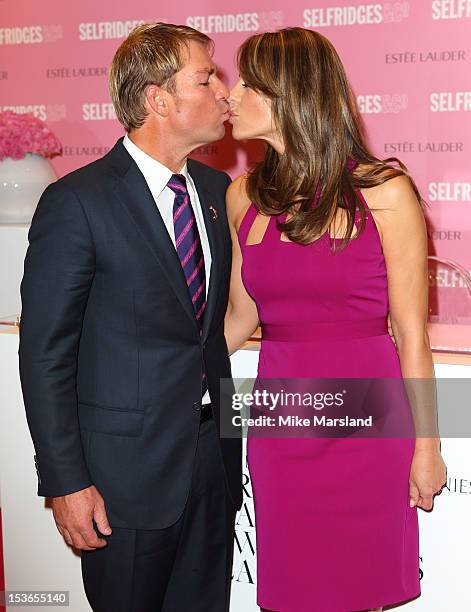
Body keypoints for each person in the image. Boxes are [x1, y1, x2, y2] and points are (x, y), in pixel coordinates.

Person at [19, 23, 241, 612]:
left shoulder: (220, 193)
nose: (224, 92)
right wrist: (65, 481)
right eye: (206, 77)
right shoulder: (79, 202)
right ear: (157, 99)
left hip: (212, 468)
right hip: (121, 482)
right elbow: (45, 354)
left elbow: (208, 332)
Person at [224, 27, 446, 612]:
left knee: (359, 589)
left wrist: (427, 445)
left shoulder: (386, 192)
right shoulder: (242, 196)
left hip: (371, 427)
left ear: (289, 95)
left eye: (248, 84)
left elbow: (411, 335)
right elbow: (240, 318)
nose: (231, 96)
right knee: (291, 592)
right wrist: (156, 361)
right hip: (281, 425)